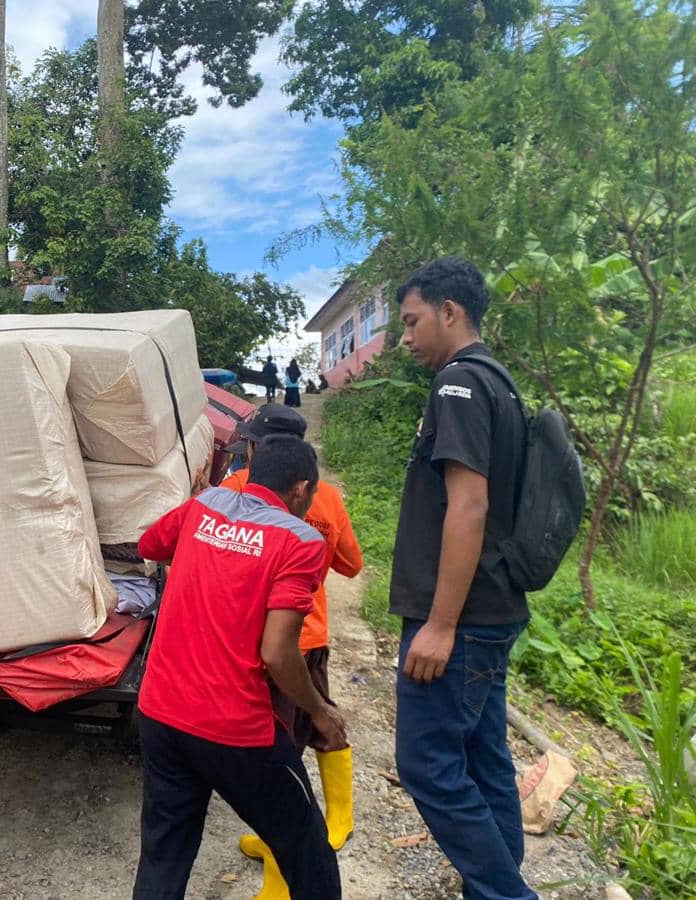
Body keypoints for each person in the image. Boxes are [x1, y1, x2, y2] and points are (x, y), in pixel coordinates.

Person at [133, 434, 344, 900]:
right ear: (301, 489)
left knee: (164, 855)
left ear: (251, 467)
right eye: (310, 495)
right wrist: (322, 713)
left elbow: (150, 544)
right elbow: (278, 652)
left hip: (160, 713)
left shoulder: (204, 506)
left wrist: (211, 550)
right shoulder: (300, 541)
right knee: (307, 850)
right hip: (235, 731)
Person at [391, 257, 532, 900]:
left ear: (450, 311)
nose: (405, 337)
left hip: (462, 619)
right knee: (484, 759)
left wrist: (440, 625)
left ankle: (507, 895)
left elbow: (467, 505)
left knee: (426, 764)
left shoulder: (458, 386)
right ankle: (496, 889)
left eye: (413, 321)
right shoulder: (499, 382)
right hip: (492, 611)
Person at [220, 405, 363, 860]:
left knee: (281, 737)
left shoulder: (234, 489)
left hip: (251, 637)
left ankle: (316, 829)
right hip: (307, 634)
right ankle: (322, 821)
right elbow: (352, 564)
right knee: (307, 724)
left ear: (259, 447)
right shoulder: (328, 497)